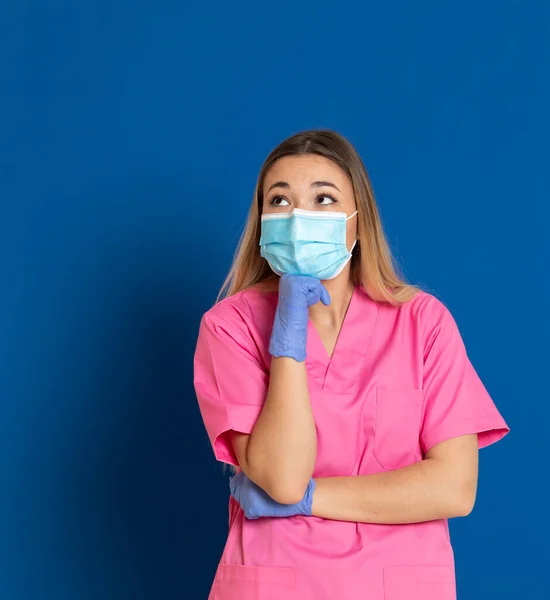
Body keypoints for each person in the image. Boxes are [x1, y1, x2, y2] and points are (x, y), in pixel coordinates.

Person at [193, 129, 509, 600]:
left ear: (358, 223)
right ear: (262, 222)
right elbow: (282, 478)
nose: (300, 217)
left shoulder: (424, 323)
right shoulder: (230, 326)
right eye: (279, 201)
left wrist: (311, 498)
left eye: (323, 198)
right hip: (278, 581)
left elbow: (454, 488)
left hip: (397, 584)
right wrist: (288, 339)